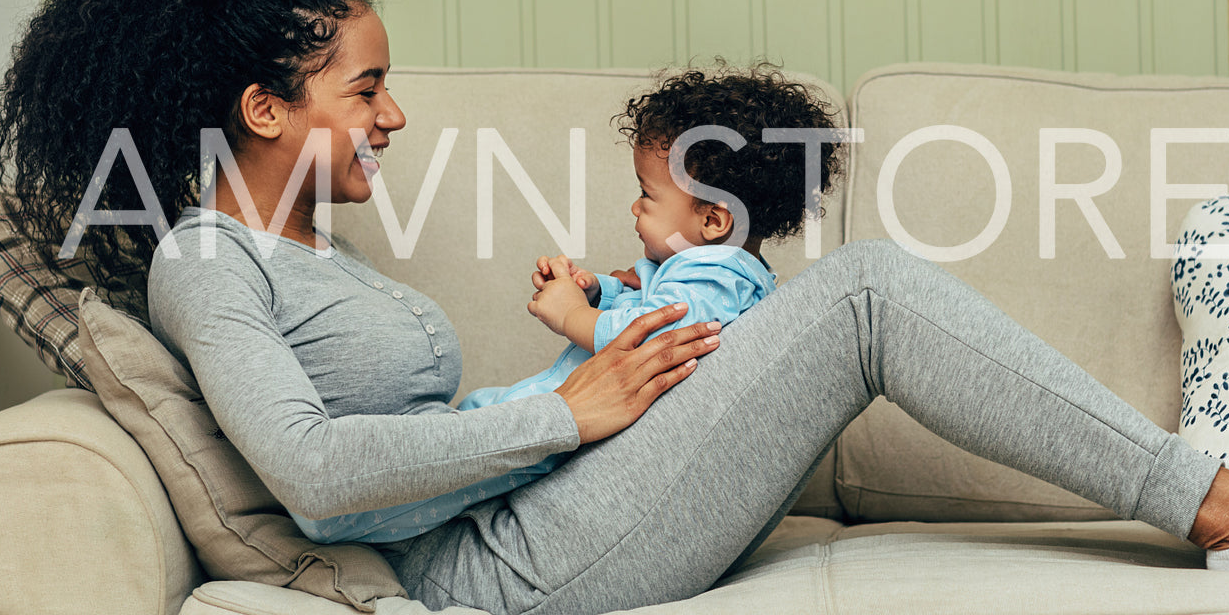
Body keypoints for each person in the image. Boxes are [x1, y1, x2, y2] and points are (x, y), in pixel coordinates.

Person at [0, 0, 1229, 615]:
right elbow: (307, 471)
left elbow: (411, 425)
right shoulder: (201, 259)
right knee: (860, 295)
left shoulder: (308, 241)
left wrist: (576, 389)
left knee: (856, 299)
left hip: (536, 506)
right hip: (494, 573)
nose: (394, 115)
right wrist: (571, 408)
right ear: (263, 109)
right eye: (363, 90)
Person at [288, 65, 839, 544]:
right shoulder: (713, 270)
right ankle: (367, 504)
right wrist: (599, 288)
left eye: (648, 195)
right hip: (588, 424)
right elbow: (653, 297)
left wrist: (573, 315)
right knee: (477, 427)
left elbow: (652, 338)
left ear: (713, 220)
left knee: (480, 439)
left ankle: (353, 516)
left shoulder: (715, 273)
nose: (635, 205)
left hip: (594, 430)